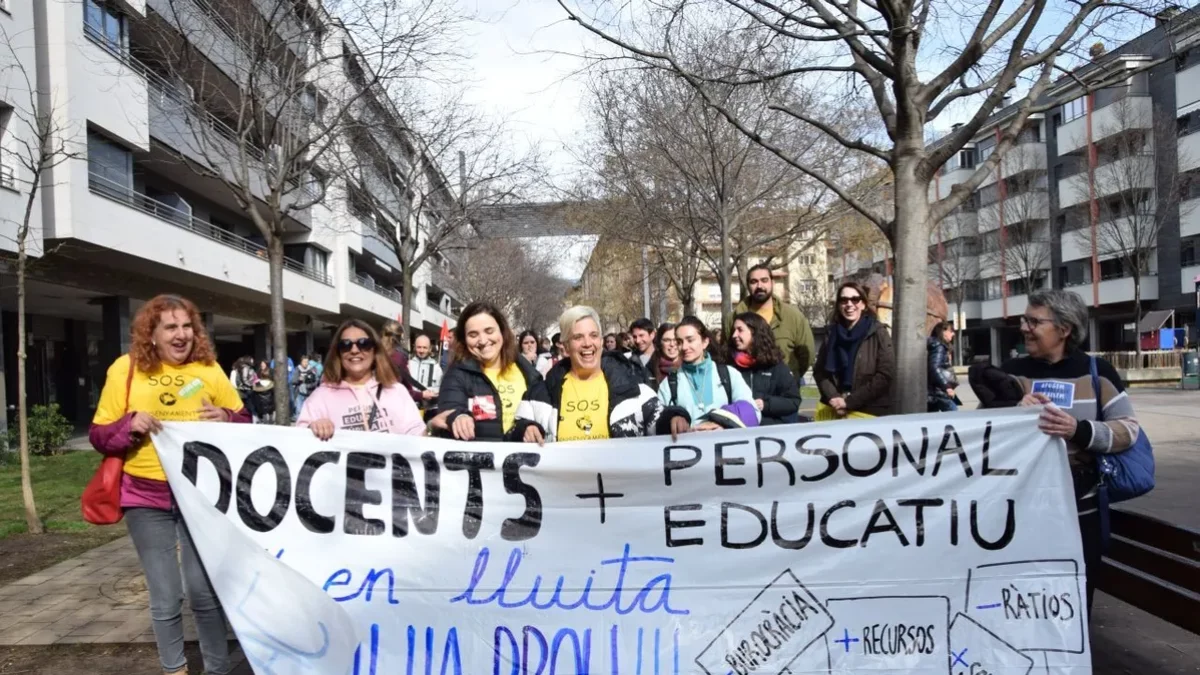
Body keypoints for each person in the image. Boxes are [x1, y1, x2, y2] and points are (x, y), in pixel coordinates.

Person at [89, 294, 250, 675]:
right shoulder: (125, 369)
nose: (181, 335)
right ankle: (174, 669)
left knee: (203, 593)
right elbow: (99, 434)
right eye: (170, 327)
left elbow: (247, 424)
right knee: (166, 596)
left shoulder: (209, 371)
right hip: (145, 496)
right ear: (152, 334)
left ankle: (217, 669)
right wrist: (128, 426)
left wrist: (226, 417)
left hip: (200, 497)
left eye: (187, 327)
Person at [1002, 289, 1141, 614]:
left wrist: (1077, 430)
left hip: (1081, 511)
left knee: (1076, 598)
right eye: (1024, 319)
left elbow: (1128, 430)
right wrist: (1011, 410)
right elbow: (984, 431)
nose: (1024, 327)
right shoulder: (1011, 371)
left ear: (1064, 329)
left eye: (1034, 321)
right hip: (1022, 509)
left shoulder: (1097, 372)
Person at [512, 306, 690, 442]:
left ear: (601, 341)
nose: (587, 343)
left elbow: (659, 420)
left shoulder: (632, 389)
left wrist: (674, 417)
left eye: (593, 335)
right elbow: (513, 434)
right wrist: (524, 429)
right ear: (565, 347)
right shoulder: (539, 396)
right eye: (578, 337)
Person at [430, 302, 552, 441]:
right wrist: (458, 417)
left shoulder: (528, 372)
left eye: (489, 331)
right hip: (479, 460)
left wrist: (529, 428)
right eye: (473, 334)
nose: (482, 340)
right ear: (464, 339)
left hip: (523, 460)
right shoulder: (456, 375)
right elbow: (450, 410)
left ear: (502, 331)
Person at [296, 319, 425, 439]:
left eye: (364, 343)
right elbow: (298, 443)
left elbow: (417, 436)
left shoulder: (396, 391)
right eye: (345, 345)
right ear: (338, 353)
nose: (354, 350)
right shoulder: (320, 397)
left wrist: (432, 427)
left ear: (375, 350)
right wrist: (312, 428)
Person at [658, 316, 759, 430]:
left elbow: (753, 413)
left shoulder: (729, 375)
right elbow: (658, 425)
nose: (685, 347)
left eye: (690, 340)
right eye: (680, 342)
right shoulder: (668, 384)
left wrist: (723, 423)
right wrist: (672, 420)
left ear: (705, 342)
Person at [813, 281, 894, 419]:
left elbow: (885, 375)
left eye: (855, 299)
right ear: (838, 305)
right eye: (844, 300)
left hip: (869, 411)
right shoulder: (831, 334)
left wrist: (849, 402)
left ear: (863, 304)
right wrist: (835, 399)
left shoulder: (878, 332)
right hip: (834, 410)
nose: (849, 304)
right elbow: (820, 372)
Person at [735, 263, 816, 379]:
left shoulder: (794, 316)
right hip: (748, 389)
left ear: (772, 283)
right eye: (754, 282)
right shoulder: (735, 317)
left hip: (784, 392)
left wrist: (792, 378)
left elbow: (807, 355)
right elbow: (727, 354)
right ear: (748, 286)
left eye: (764, 280)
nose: (759, 286)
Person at [729, 312, 801, 425]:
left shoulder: (776, 366)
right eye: (734, 330)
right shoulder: (729, 366)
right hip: (738, 431)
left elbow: (793, 401)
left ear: (755, 332)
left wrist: (766, 404)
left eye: (740, 330)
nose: (734, 335)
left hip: (770, 431)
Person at [380, 319, 425, 403]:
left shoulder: (373, 352)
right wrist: (422, 395)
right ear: (400, 336)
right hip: (393, 405)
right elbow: (406, 391)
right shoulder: (399, 357)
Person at [927, 321, 960, 412]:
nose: (953, 334)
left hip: (935, 390)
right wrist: (947, 386)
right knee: (954, 416)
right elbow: (934, 367)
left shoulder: (935, 345)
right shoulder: (939, 346)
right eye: (951, 331)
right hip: (939, 390)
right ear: (943, 331)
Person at [408, 333, 443, 411]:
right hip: (410, 408)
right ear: (414, 347)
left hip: (429, 409)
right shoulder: (408, 364)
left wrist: (432, 394)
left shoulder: (436, 367)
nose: (421, 350)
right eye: (419, 347)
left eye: (425, 348)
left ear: (429, 348)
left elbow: (441, 388)